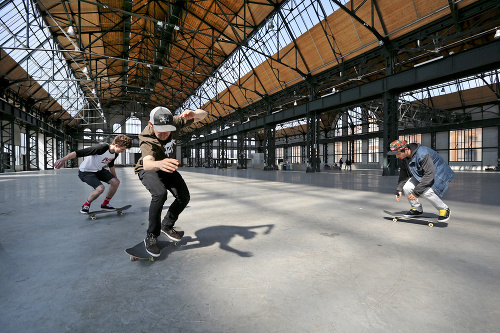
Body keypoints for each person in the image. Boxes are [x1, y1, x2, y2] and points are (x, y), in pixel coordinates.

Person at [135, 106, 207, 257]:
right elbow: (147, 164)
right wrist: (159, 164)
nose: (164, 133)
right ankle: (151, 236)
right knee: (160, 194)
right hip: (149, 168)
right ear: (151, 124)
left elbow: (204, 114)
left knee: (184, 197)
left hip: (167, 166)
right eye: (159, 130)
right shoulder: (146, 136)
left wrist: (194, 114)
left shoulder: (175, 122)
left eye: (167, 129)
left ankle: (166, 226)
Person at [54, 134, 132, 213]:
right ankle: (86, 205)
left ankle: (105, 204)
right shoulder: (102, 148)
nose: (122, 151)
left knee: (116, 182)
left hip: (98, 170)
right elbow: (79, 152)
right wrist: (63, 159)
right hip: (86, 171)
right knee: (100, 188)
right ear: (116, 145)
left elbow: (111, 165)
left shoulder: (115, 153)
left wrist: (115, 178)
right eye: (122, 149)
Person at [388, 140, 455, 222]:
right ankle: (417, 209)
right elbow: (403, 173)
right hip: (421, 173)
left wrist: (416, 192)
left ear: (405, 149)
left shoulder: (423, 154)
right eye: (395, 154)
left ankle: (444, 209)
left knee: (426, 191)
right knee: (407, 188)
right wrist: (399, 188)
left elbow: (430, 174)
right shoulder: (403, 157)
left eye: (398, 154)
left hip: (438, 173)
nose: (397, 156)